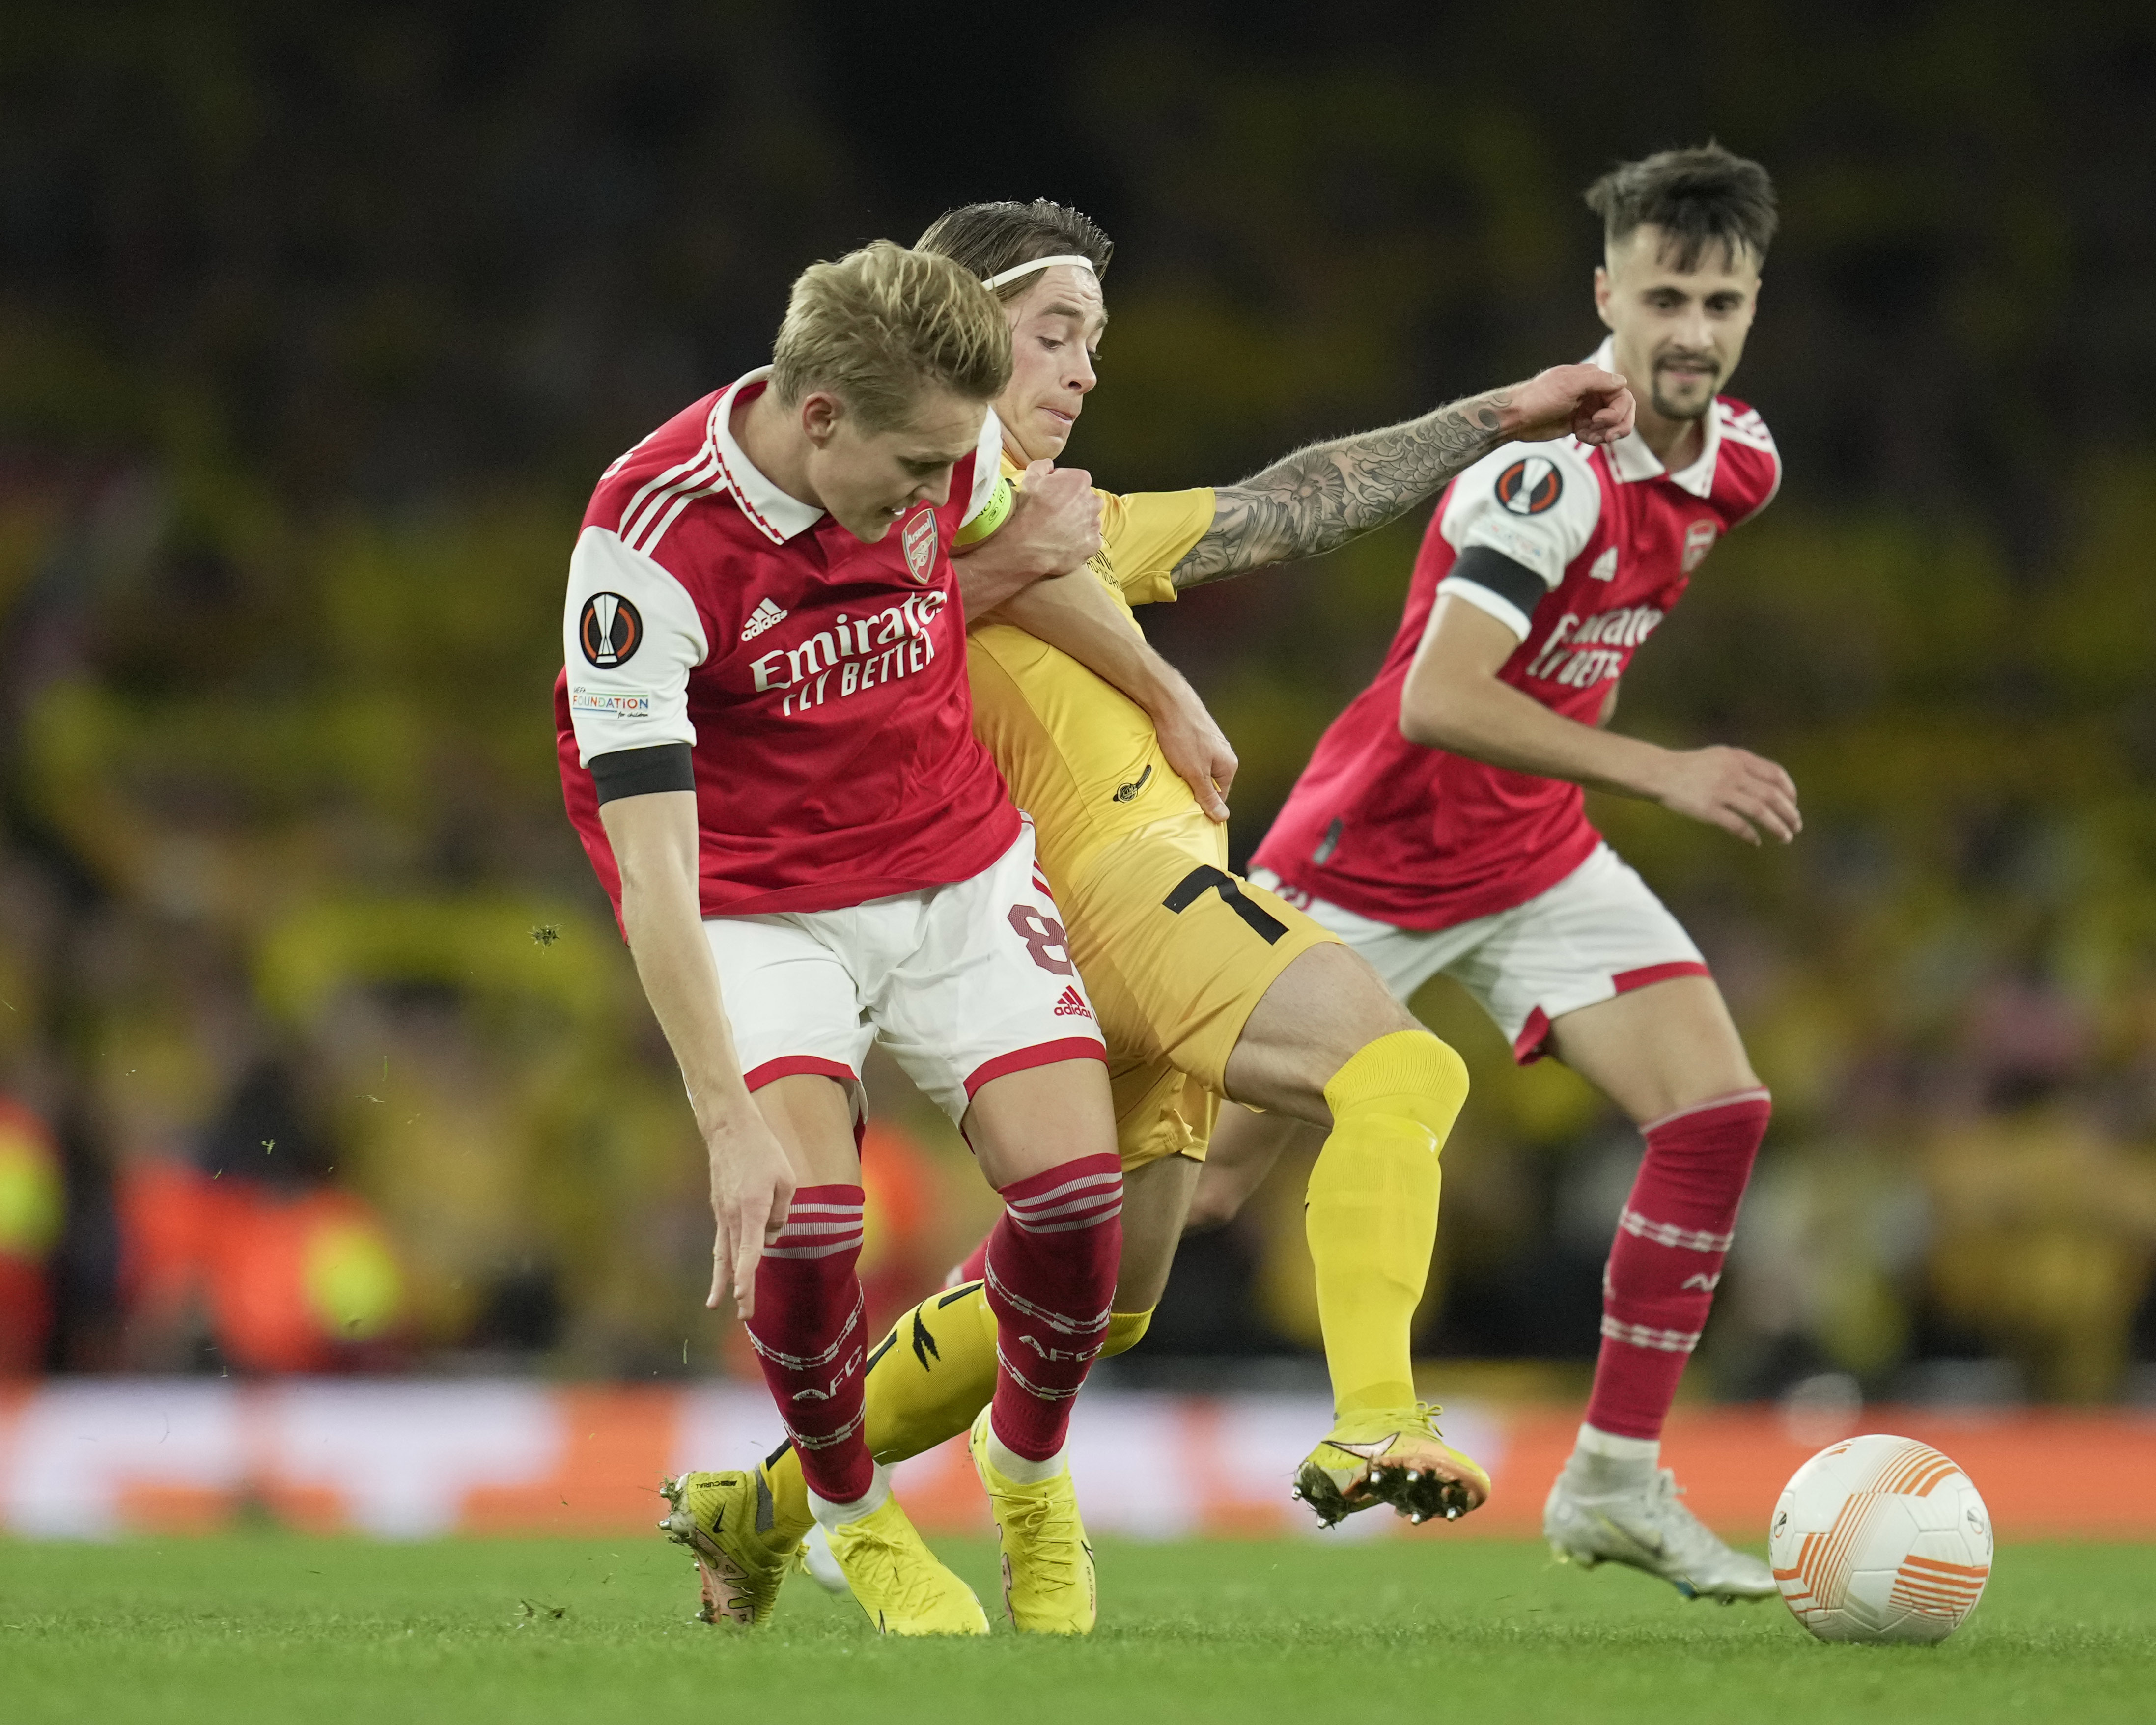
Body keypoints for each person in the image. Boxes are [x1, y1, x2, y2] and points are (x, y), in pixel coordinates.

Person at [665, 200, 1635, 1629]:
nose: (1083, 368)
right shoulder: (908, 502)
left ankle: (758, 1506)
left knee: (1094, 1294)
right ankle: (1374, 1413)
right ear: (959, 327)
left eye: (1093, 342)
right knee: (1398, 1068)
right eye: (1056, 333)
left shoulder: (1049, 520)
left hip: (1076, 937)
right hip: (1118, 892)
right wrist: (1156, 678)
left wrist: (1499, 413)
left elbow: (1287, 500)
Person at [1201, 144, 1799, 1604]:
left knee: (1714, 1111)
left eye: (1720, 301)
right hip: (1361, 858)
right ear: (1606, 294)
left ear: (1750, 306)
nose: (1692, 332)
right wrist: (1665, 770)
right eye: (1663, 295)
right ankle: (866, 1419)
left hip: (1530, 856)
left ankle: (1609, 1482)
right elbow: (1440, 699)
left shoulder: (1742, 465)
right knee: (1189, 1195)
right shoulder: (1543, 479)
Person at [557, 241, 1127, 1636]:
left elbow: (1007, 561)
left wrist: (1166, 697)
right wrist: (722, 1120)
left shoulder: (937, 429)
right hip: (754, 898)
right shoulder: (642, 551)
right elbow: (653, 864)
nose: (946, 500)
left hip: (950, 855)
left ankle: (1031, 1476)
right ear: (819, 419)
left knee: (1075, 1202)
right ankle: (850, 1518)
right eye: (920, 471)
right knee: (806, 1219)